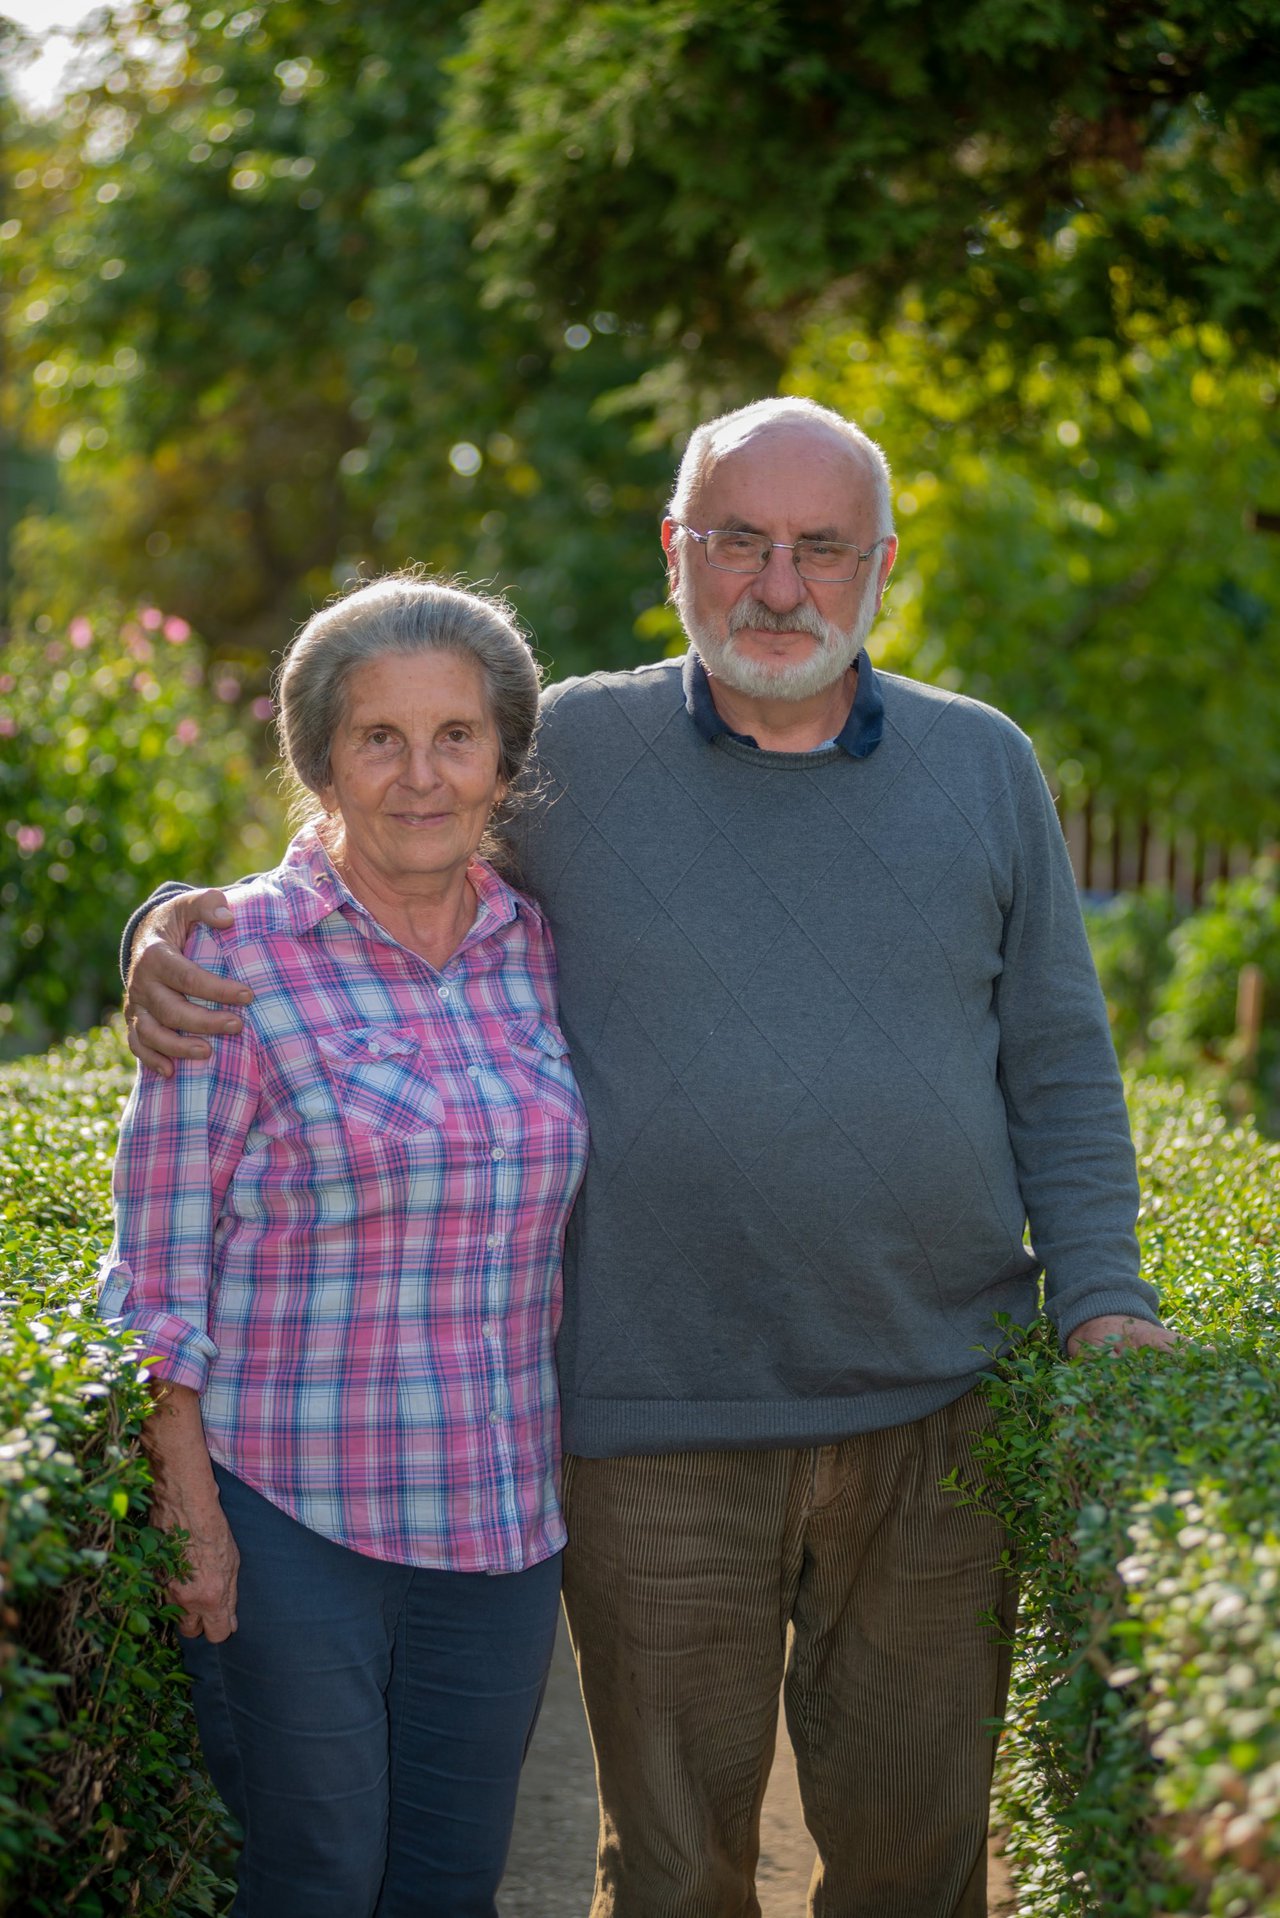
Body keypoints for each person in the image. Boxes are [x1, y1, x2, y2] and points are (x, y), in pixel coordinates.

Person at [122, 398, 1173, 1918]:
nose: (778, 584)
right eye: (738, 539)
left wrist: (1107, 1293)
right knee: (678, 1872)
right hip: (650, 1426)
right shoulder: (578, 758)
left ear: (881, 563)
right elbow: (363, 852)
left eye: (821, 547)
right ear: (675, 552)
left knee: (913, 1858)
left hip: (935, 1408)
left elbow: (1062, 1062)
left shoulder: (982, 766)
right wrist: (164, 918)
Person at [99, 576, 588, 1918]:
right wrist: (190, 1510)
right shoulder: (228, 960)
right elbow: (158, 1265)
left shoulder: (543, 948)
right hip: (288, 1506)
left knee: (446, 1884)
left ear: (503, 761)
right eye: (381, 736)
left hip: (497, 1521)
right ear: (320, 758)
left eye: (457, 736)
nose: (421, 775)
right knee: (315, 1874)